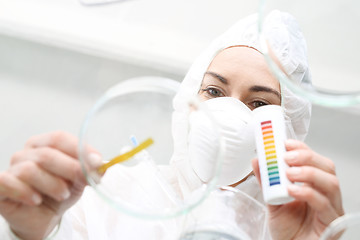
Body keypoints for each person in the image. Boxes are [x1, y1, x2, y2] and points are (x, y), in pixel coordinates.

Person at [0, 10, 344, 240]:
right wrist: (33, 232)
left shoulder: (299, 228)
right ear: (187, 103)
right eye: (213, 91)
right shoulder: (113, 195)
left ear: (288, 128)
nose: (227, 114)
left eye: (258, 104)